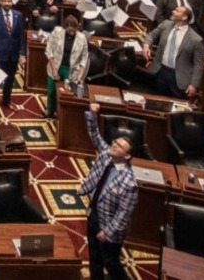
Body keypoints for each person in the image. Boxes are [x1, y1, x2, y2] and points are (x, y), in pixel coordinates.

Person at [81, 102, 138, 280]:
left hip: (109, 226)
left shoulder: (129, 183)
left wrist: (107, 232)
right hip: (94, 214)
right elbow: (94, 135)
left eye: (119, 146)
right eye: (115, 142)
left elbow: (123, 215)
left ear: (127, 156)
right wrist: (92, 113)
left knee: (110, 262)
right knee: (94, 257)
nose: (114, 145)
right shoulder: (106, 155)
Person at [143, 5, 203, 99]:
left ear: (184, 17)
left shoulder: (196, 39)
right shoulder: (166, 24)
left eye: (177, 11)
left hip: (179, 78)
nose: (173, 12)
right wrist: (146, 45)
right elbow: (151, 35)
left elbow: (198, 65)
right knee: (157, 102)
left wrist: (194, 85)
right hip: (160, 71)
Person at [43, 15, 89, 119]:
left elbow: (84, 57)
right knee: (51, 91)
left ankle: (62, 115)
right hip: (55, 66)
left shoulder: (82, 38)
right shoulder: (57, 32)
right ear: (65, 27)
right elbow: (48, 51)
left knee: (66, 94)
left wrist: (80, 76)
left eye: (73, 28)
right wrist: (54, 69)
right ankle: (50, 111)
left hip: (71, 70)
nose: (71, 30)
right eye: (69, 28)